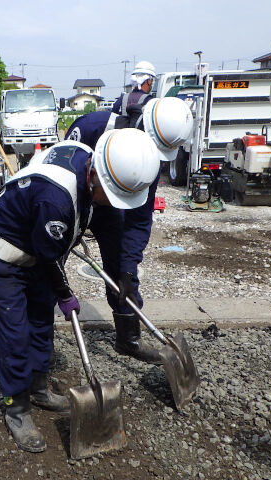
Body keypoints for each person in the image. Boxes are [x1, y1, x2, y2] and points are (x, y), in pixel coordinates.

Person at [0, 131, 161, 453]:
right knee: (15, 333)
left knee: (41, 322)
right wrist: (65, 293)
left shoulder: (95, 164)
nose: (113, 204)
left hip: (37, 245)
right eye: (111, 195)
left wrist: (124, 276)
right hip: (3, 253)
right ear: (94, 175)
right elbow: (49, 258)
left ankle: (38, 388)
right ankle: (16, 409)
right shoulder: (56, 199)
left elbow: (108, 232)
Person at [65, 71, 194, 364]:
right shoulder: (91, 127)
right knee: (49, 267)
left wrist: (127, 267)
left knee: (123, 270)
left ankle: (128, 339)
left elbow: (139, 219)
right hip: (78, 201)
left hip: (114, 208)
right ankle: (40, 345)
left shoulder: (147, 161)